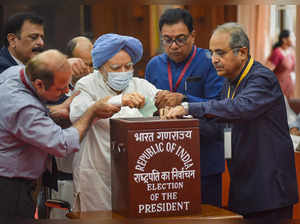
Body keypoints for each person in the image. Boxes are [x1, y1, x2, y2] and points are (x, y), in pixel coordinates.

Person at [162, 22, 299, 222]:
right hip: (243, 187)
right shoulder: (228, 82)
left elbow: (238, 108)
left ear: (242, 52)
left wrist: (188, 107)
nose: (214, 60)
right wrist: (180, 122)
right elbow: (219, 125)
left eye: (220, 53)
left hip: (269, 190)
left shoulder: (262, 79)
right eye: (211, 53)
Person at [0, 49, 120, 218]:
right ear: (39, 84)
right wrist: (91, 113)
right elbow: (62, 144)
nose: (65, 93)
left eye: (67, 86)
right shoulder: (24, 107)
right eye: (60, 88)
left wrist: (52, 111)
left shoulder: (16, 73)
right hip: (10, 188)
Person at [69, 33, 174, 212]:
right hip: (96, 171)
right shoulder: (87, 85)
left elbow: (159, 100)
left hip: (133, 171)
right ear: (100, 68)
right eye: (116, 67)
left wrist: (168, 102)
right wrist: (120, 100)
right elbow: (77, 113)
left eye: (128, 66)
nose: (123, 72)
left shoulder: (139, 85)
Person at [145, 8, 225, 207]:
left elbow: (219, 107)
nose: (173, 46)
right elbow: (145, 111)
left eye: (180, 39)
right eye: (167, 40)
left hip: (203, 157)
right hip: (164, 161)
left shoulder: (210, 62)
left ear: (193, 35)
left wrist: (184, 99)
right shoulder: (154, 65)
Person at [49, 36, 94, 219]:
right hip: (64, 178)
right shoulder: (52, 88)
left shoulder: (101, 87)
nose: (88, 70)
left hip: (94, 178)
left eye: (92, 64)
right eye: (84, 64)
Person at [0, 12, 90, 78]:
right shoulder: (3, 66)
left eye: (41, 37)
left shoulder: (34, 63)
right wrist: (60, 67)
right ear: (12, 40)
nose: (41, 43)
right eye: (33, 37)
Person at [266, 29, 296, 99]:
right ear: (284, 40)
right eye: (292, 37)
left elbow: (293, 70)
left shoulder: (291, 52)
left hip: (289, 89)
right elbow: (267, 71)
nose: (295, 38)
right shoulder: (277, 52)